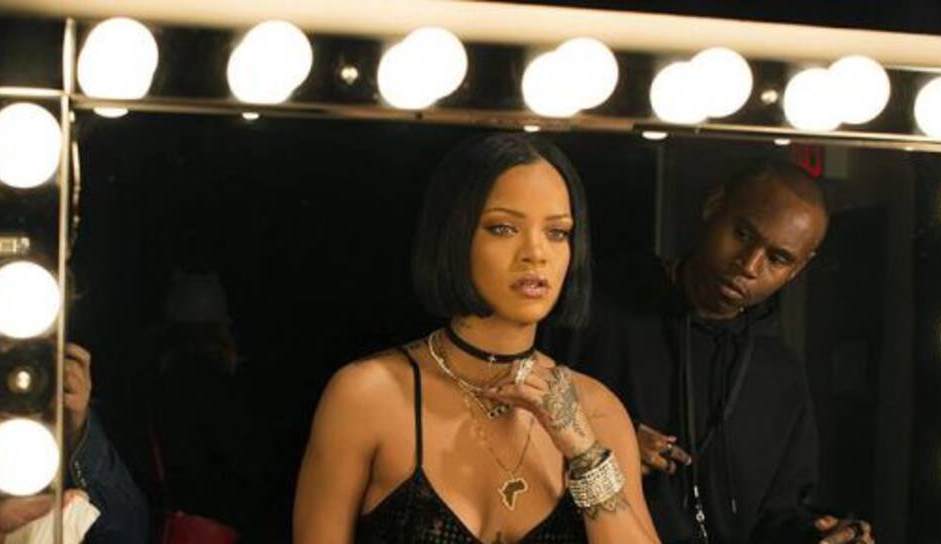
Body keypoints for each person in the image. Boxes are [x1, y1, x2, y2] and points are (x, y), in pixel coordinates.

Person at [293, 133, 661, 543]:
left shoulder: (596, 409)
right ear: (453, 235)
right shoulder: (367, 397)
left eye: (557, 232)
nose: (536, 253)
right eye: (503, 228)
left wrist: (584, 453)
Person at [544, 159, 873, 544]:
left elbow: (777, 517)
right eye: (742, 234)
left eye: (778, 258)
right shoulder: (594, 309)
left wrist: (822, 537)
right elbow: (507, 428)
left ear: (798, 269)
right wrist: (605, 438)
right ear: (713, 205)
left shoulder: (779, 376)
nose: (748, 265)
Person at [0, 343, 150, 544]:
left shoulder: (66, 418)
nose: (19, 377)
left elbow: (128, 531)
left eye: (30, 360)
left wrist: (75, 432)